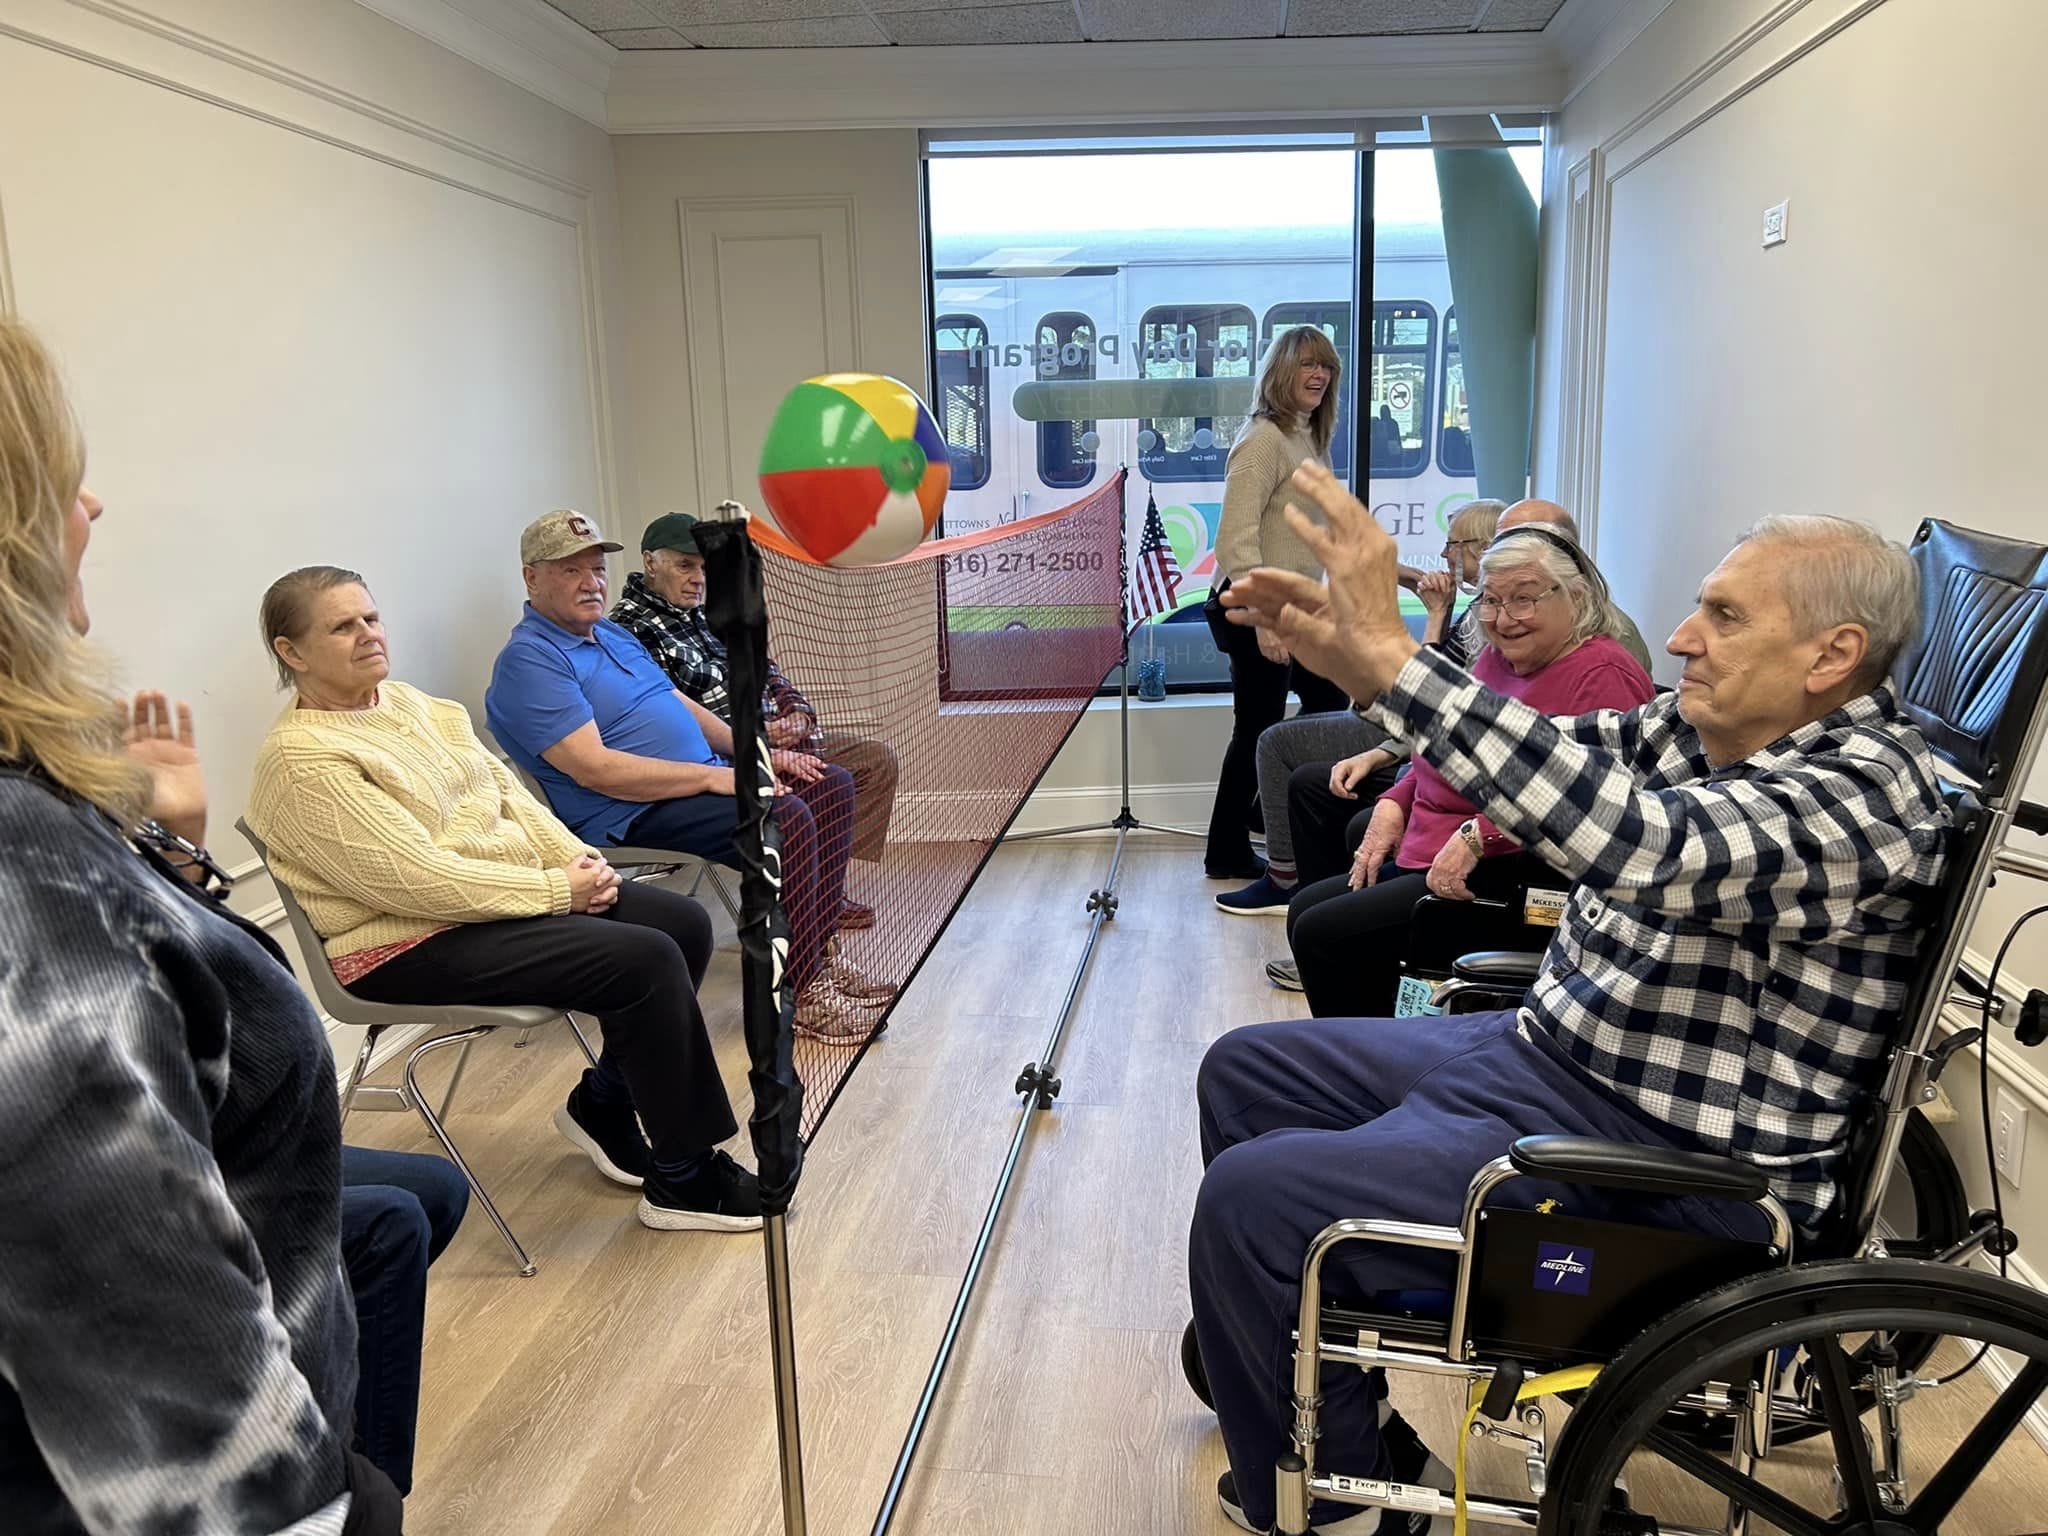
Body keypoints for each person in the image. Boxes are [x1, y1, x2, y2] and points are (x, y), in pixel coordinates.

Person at [1201, 462, 1947, 1536]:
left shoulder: (1860, 795)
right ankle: (1327, 1391)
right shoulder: (1712, 731)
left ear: (1831, 655)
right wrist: (1362, 667)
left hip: (1666, 1164)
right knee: (1249, 1067)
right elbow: (1552, 757)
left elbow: (1646, 845)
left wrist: (1396, 663)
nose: (1681, 637)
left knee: (1252, 1200)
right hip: (1554, 1059)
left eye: (1721, 615)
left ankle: (1333, 1496)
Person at [0, 318, 403, 1533]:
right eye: (60, 483)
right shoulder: (21, 883)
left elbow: (155, 982)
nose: (97, 507)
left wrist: (168, 833)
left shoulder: (45, 828)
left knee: (387, 1227)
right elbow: (183, 1425)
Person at [246, 564, 765, 1231]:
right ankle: (684, 1178)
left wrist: (579, 863)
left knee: (683, 923)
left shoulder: (416, 706)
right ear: (292, 653)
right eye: (342, 627)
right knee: (642, 960)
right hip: (402, 943)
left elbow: (511, 798)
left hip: (489, 904)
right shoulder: (302, 759)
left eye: (370, 618)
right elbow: (417, 879)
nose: (368, 635)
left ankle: (604, 1105)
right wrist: (558, 891)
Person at [482, 510, 890, 1042]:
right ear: (531, 577)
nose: (592, 583)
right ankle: (792, 996)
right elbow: (597, 770)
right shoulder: (529, 661)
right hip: (629, 811)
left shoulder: (608, 634)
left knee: (828, 783)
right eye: (570, 571)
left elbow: (680, 706)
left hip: (694, 780)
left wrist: (756, 752)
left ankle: (812, 959)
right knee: (783, 817)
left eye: (597, 569)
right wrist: (713, 780)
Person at [1284, 527, 1654, 1018]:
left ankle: (1377, 1063)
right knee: (1303, 910)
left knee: (1324, 933)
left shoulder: (1602, 674)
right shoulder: (1495, 659)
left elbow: (1595, 799)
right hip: (1439, 844)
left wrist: (1482, 835)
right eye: (1491, 601)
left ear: (1576, 596)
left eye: (1524, 600)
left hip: (1513, 871)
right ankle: (1370, 1048)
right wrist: (1397, 800)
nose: (1504, 619)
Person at [1215, 499, 1504, 917]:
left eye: (1451, 544)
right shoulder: (1480, 608)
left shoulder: (1493, 619)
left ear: (1480, 547)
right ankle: (1296, 879)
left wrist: (1437, 615)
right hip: (1406, 726)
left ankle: (1284, 879)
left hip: (1407, 732)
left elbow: (1432, 697)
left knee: (1274, 742)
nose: (1443, 555)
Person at [610, 511, 900, 884]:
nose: (699, 579)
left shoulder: (709, 614)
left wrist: (798, 714)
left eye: (705, 567)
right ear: (650, 562)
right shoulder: (628, 632)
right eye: (685, 566)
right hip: (727, 759)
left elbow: (770, 672)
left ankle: (824, 885)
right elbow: (670, 722)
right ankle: (810, 890)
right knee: (829, 781)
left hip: (784, 741)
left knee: (875, 761)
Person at [1203, 325, 1351, 880]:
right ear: (1281, 373)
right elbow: (1234, 538)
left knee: (1328, 706)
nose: (1320, 375)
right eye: (1308, 365)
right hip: (1253, 606)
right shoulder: (1263, 439)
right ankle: (1226, 850)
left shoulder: (1307, 435)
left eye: (1327, 366)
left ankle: (1264, 813)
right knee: (1257, 727)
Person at [1493, 498, 1655, 671]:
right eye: (1499, 545)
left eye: (1520, 545)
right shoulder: (1492, 616)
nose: (1503, 621)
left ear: (1565, 551)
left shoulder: (1614, 639)